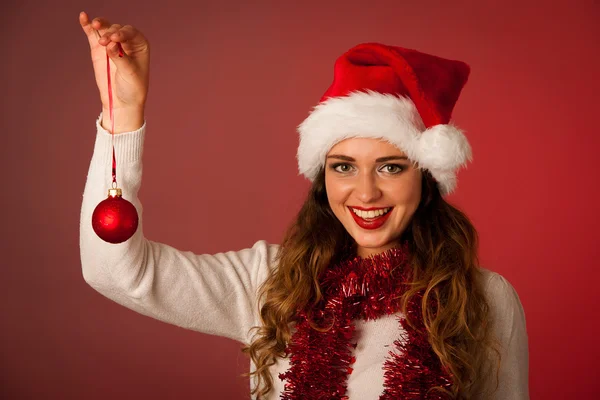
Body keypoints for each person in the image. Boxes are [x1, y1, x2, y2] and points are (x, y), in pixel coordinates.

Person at [78, 11, 529, 400]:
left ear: (425, 180)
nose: (366, 193)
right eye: (344, 167)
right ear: (322, 177)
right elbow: (114, 269)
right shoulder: (272, 284)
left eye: (391, 168)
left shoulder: (484, 299)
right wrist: (124, 115)